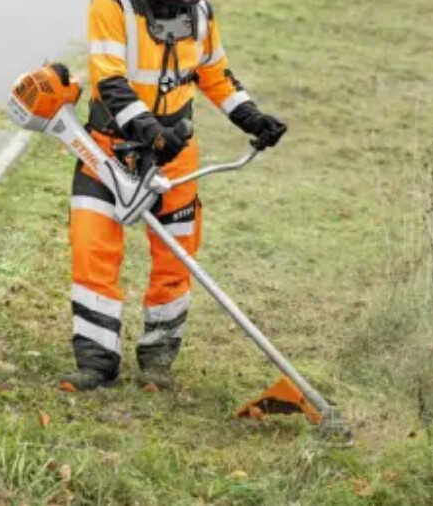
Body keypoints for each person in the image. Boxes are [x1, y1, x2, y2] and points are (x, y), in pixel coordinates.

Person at [62, 0, 287, 391]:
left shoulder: (200, 13)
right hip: (107, 150)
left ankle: (158, 359)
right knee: (91, 248)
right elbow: (108, 80)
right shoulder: (111, 6)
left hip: (176, 157)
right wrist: (149, 131)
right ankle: (96, 363)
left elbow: (214, 73)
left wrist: (251, 116)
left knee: (175, 257)